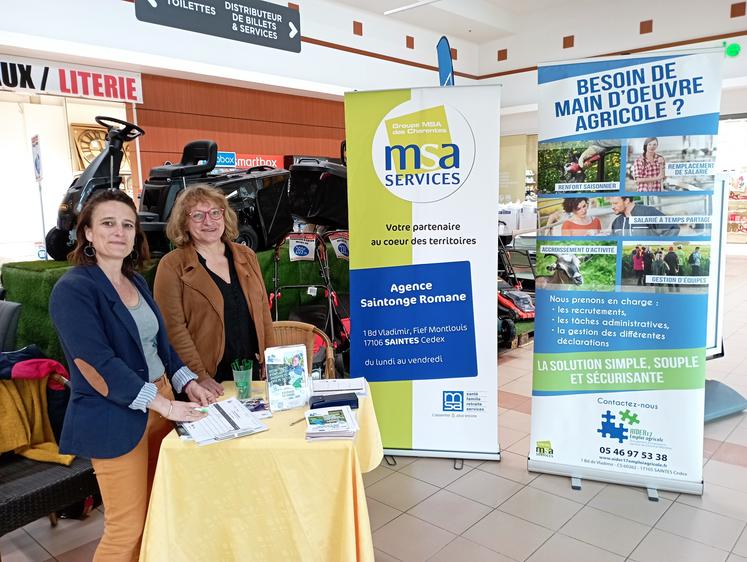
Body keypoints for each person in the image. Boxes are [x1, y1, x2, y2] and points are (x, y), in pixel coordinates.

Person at [49, 189, 214, 562]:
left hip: (163, 405)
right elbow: (97, 365)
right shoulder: (73, 289)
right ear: (87, 233)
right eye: (107, 223)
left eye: (127, 224)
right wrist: (163, 405)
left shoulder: (134, 280)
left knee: (160, 515)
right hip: (116, 415)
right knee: (127, 527)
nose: (119, 232)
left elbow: (161, 346)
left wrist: (188, 382)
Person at [154, 185, 275, 395]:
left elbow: (263, 311)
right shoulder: (172, 265)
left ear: (224, 216)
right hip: (206, 381)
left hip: (250, 373)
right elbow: (173, 329)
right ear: (184, 222)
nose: (208, 221)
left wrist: (270, 359)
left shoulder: (246, 255)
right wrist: (197, 375)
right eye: (198, 215)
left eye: (215, 213)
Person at [608, 196, 680, 237]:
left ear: (626, 200)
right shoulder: (616, 222)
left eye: (615, 203)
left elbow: (673, 228)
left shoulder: (648, 212)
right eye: (611, 204)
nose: (612, 207)